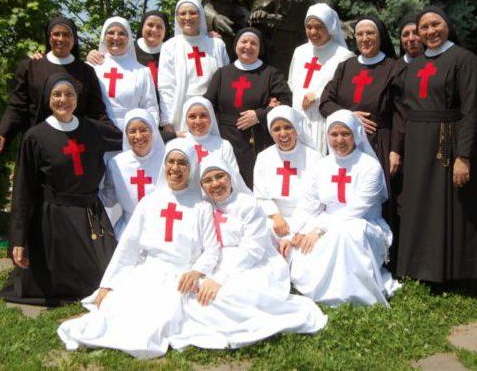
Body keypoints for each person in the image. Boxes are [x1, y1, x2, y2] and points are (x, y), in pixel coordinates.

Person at [57, 138, 221, 359]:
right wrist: (108, 284)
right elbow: (128, 247)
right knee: (116, 308)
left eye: (182, 162)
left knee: (160, 320)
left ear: (191, 168)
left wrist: (196, 271)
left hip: (180, 276)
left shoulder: (201, 207)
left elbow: (212, 250)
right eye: (170, 161)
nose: (175, 168)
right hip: (149, 269)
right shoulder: (149, 202)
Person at [169, 156, 327, 350]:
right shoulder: (205, 206)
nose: (215, 184)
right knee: (195, 292)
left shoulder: (247, 204)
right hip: (218, 261)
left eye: (220, 176)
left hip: (256, 263)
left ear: (230, 177)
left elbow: (253, 249)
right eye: (207, 180)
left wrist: (219, 279)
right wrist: (199, 271)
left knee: (230, 294)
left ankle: (242, 326)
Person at [0, 74, 121, 306]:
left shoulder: (92, 129)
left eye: (69, 94)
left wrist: (173, 135)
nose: (63, 100)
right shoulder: (35, 137)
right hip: (52, 219)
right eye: (57, 94)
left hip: (89, 213)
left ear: (77, 98)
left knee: (106, 275)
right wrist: (18, 239)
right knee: (62, 283)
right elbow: (23, 190)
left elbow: (133, 138)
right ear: (48, 98)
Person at [393, 6, 477, 288]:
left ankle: (452, 273)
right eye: (424, 27)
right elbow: (403, 109)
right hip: (418, 144)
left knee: (450, 207)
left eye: (436, 25)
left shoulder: (463, 59)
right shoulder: (414, 65)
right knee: (421, 204)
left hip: (448, 142)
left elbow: (472, 109)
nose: (430, 31)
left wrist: (464, 155)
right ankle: (419, 267)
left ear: (447, 26)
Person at [283, 110, 399, 306]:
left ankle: (350, 292)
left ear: (356, 134)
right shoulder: (321, 165)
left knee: (344, 234)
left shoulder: (370, 166)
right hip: (326, 221)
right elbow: (308, 203)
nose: (339, 140)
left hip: (364, 225)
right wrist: (293, 232)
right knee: (301, 241)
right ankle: (322, 289)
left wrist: (319, 230)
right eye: (334, 134)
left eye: (345, 134)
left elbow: (356, 210)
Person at [319, 16, 403, 270]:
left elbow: (400, 113)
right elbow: (325, 102)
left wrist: (395, 149)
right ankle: (343, 249)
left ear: (380, 36)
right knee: (346, 194)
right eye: (360, 34)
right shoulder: (346, 66)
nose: (365, 39)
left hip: (380, 140)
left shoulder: (394, 67)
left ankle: (382, 256)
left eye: (370, 33)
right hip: (346, 144)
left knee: (378, 199)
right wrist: (349, 116)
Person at [0, 16, 108, 154]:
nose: (61, 39)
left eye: (66, 34)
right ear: (49, 37)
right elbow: (17, 106)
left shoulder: (86, 71)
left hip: (74, 146)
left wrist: (119, 137)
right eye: (56, 34)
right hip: (37, 145)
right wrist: (2, 133)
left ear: (74, 39)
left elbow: (96, 112)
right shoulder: (31, 67)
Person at [204, 27, 292, 187]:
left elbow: (285, 103)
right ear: (236, 45)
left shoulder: (271, 74)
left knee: (253, 184)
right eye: (244, 41)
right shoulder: (222, 74)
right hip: (225, 139)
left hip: (256, 139)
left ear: (260, 48)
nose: (248, 46)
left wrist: (259, 115)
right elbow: (207, 105)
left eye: (253, 43)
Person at [288, 3, 354, 154]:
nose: (313, 32)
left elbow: (344, 92)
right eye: (309, 27)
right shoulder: (299, 52)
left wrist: (318, 96)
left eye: (319, 27)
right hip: (298, 116)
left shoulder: (343, 56)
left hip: (322, 120)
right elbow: (292, 82)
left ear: (330, 27)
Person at [158, 0, 229, 134]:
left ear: (201, 15)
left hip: (213, 109)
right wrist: (167, 121)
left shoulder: (216, 44)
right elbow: (166, 86)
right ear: (176, 17)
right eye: (182, 13)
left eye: (192, 13)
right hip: (181, 109)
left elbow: (226, 80)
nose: (187, 17)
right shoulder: (170, 46)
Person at [253, 105, 322, 238]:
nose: (283, 133)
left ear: (296, 129)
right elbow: (260, 196)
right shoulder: (263, 157)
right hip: (274, 217)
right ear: (270, 132)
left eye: (288, 127)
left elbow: (314, 199)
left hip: (307, 217)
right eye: (276, 129)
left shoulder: (314, 157)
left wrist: (294, 227)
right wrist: (276, 216)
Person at [101, 108, 165, 240]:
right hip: (128, 231)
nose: (138, 136)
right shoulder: (116, 163)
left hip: (161, 228)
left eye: (143, 130)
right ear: (126, 135)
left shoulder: (167, 160)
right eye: (132, 131)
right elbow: (109, 199)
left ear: (153, 131)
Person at [88, 16, 159, 130]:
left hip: (132, 131)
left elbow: (150, 108)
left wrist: (150, 132)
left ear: (128, 38)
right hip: (98, 129)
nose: (116, 37)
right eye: (111, 33)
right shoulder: (92, 67)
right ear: (103, 37)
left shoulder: (142, 71)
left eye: (121, 34)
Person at [88, 11, 169, 88]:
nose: (154, 30)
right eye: (150, 25)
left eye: (159, 26)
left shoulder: (171, 53)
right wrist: (93, 55)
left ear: (166, 30)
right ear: (142, 26)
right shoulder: (126, 48)